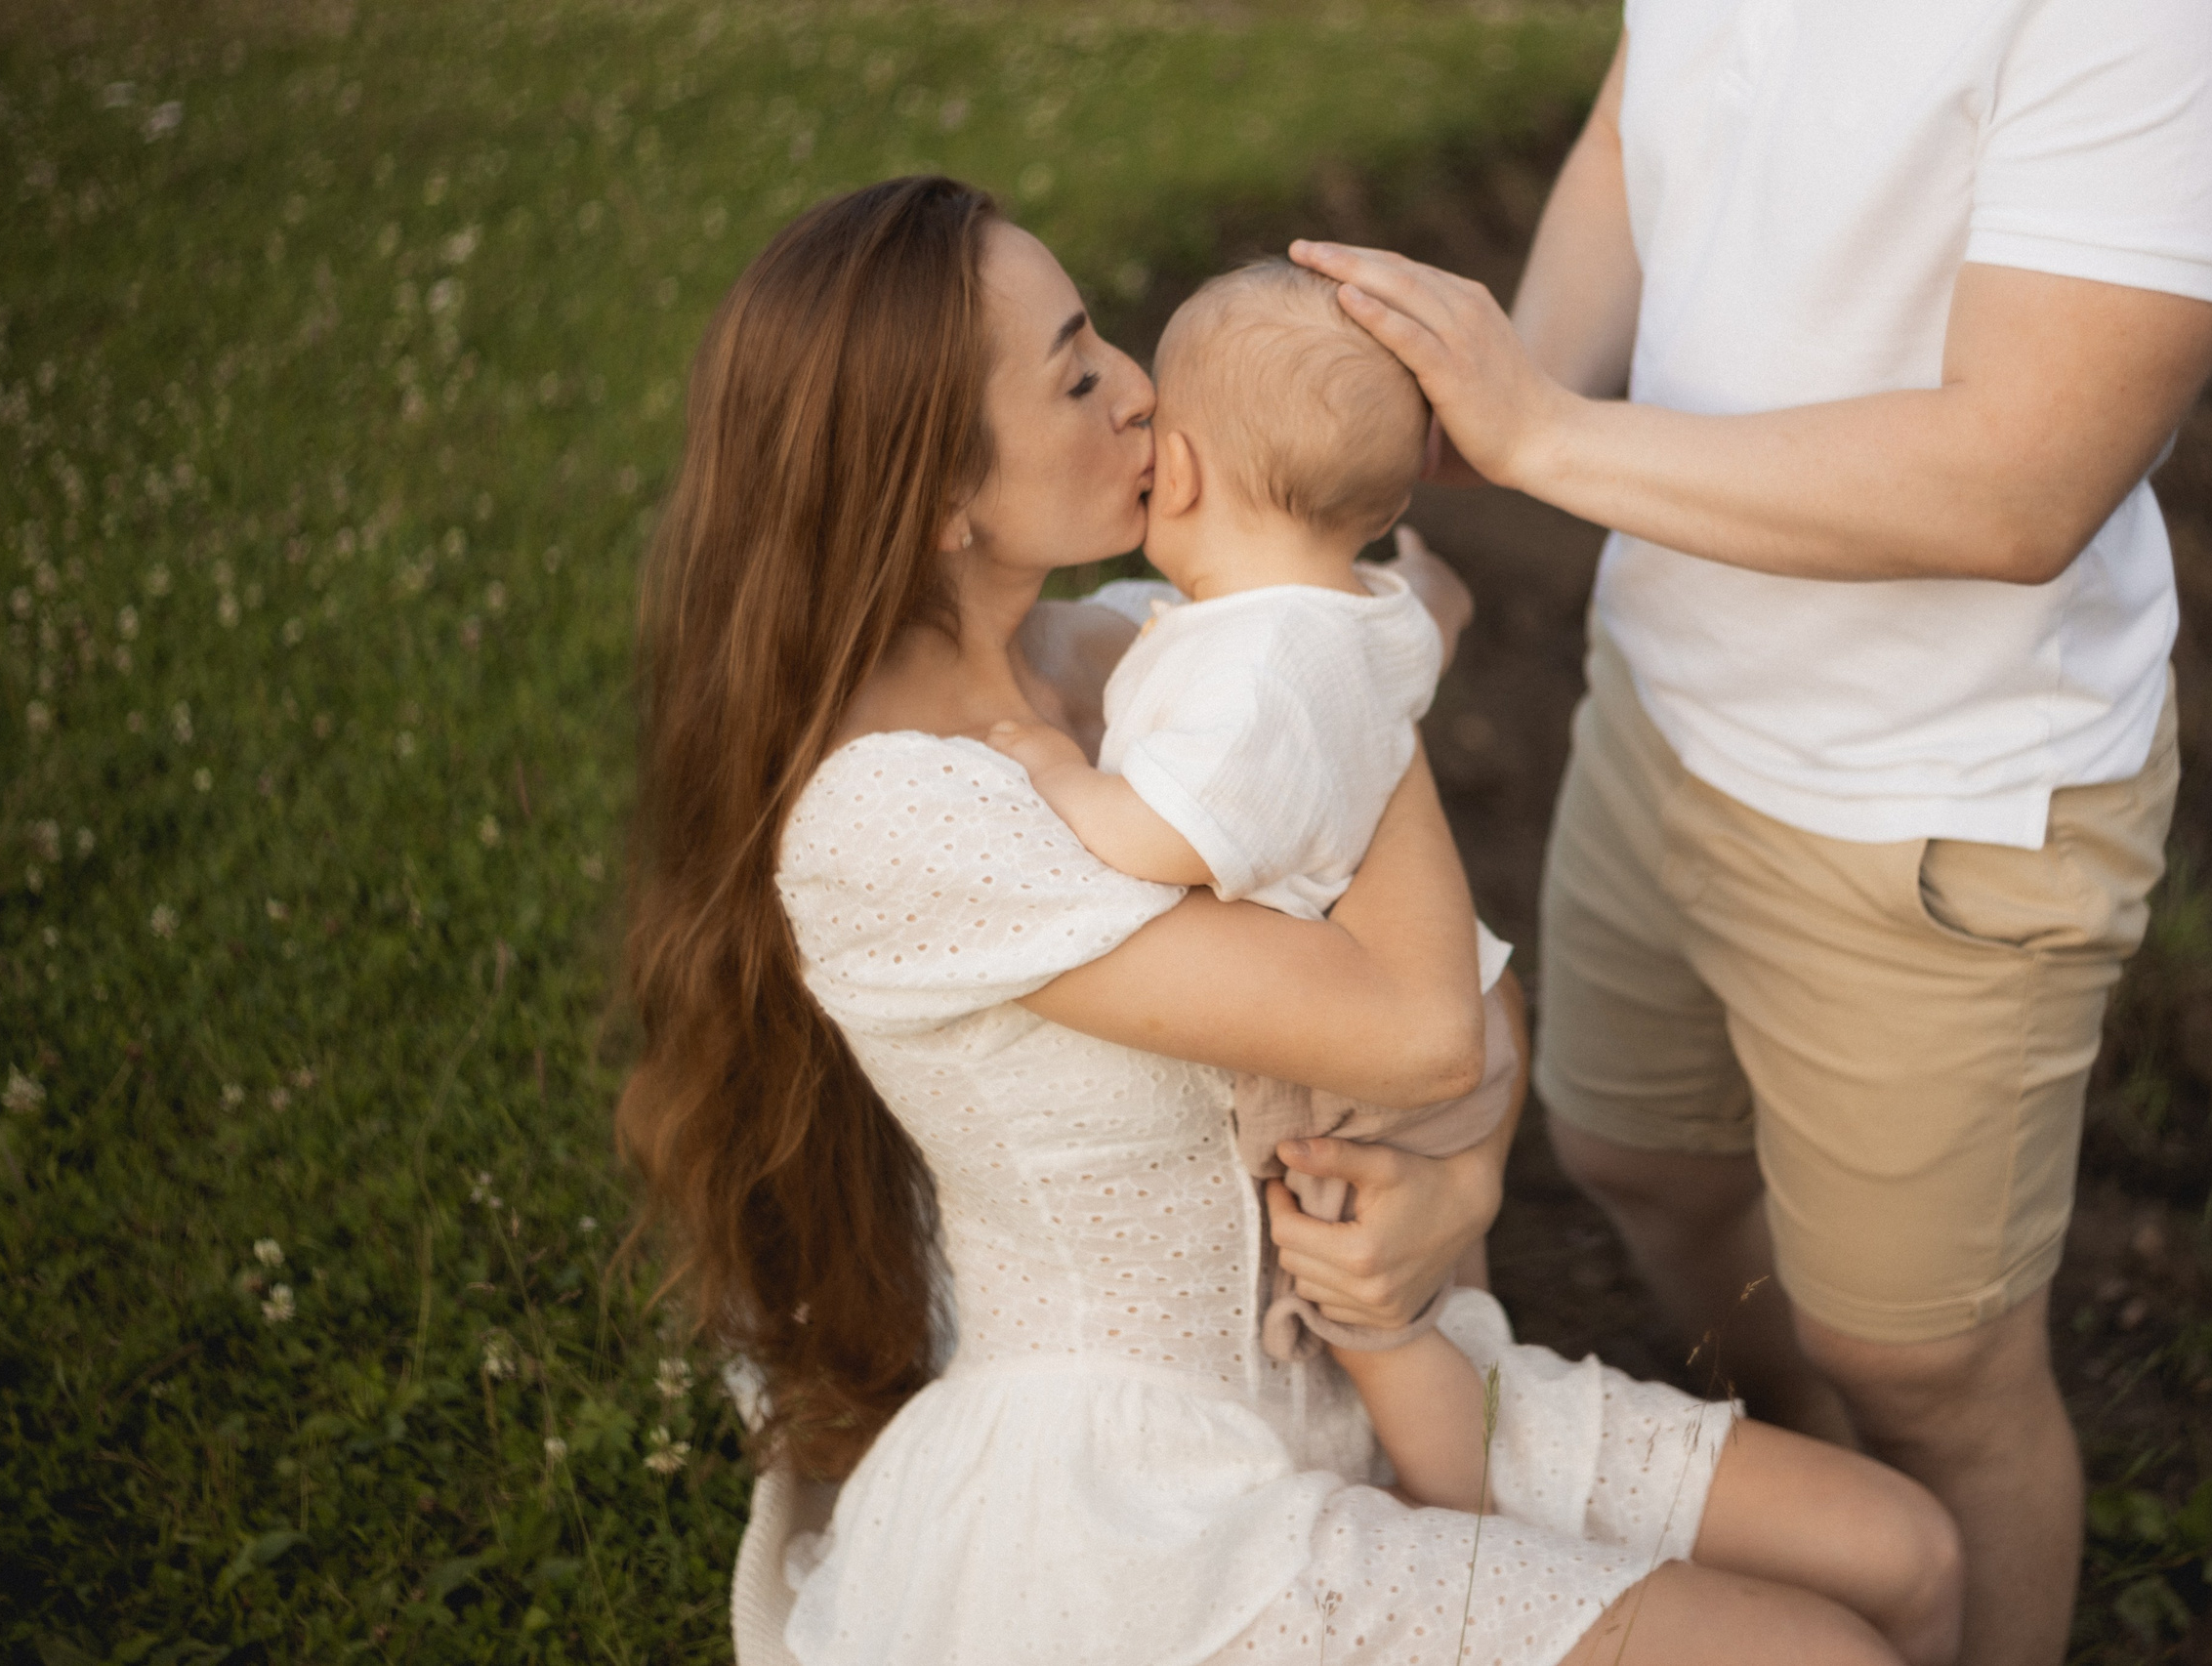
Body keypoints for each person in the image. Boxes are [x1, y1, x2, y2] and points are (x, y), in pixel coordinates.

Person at [620, 176, 1962, 1666]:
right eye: (1076, 374)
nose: (1142, 393)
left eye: (1106, 345)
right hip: (1138, 1498)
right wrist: (1337, 635)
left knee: (1906, 1560)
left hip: (1379, 1352)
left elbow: (1481, 1025)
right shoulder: (896, 820)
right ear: (935, 499)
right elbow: (1421, 1023)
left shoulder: (1135, 647)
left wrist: (1458, 1195)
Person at [1289, 4, 2212, 1662]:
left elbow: (2019, 482)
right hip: (1671, 685)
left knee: (1931, 1368)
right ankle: (1835, 1532)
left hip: (1941, 794)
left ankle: (1929, 1545)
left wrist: (1543, 432)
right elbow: (1652, 114)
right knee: (1640, 1161)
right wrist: (1500, 391)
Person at [982, 257, 1523, 1512]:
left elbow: (1171, 834)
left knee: (1379, 1327)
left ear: (1180, 468)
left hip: (1373, 1073)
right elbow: (1427, 606)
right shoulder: (1343, 605)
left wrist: (1064, 778)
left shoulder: (1257, 666)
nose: (1127, 410)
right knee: (1447, 1290)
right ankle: (1481, 1377)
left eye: (1148, 402)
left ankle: (1475, 1525)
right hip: (1470, 1002)